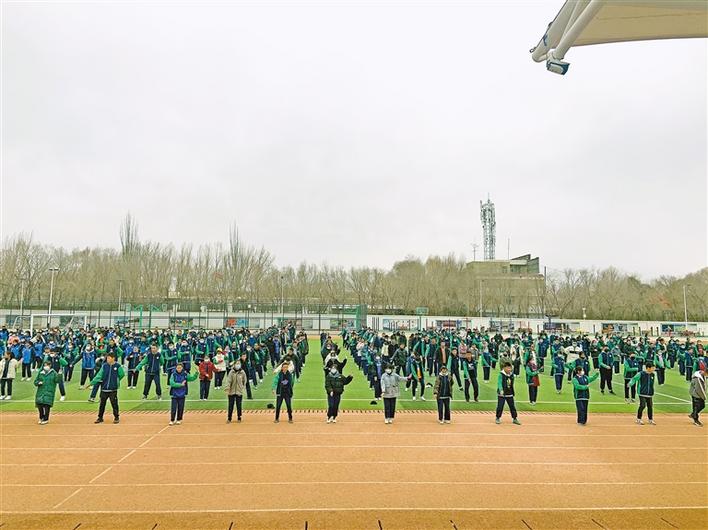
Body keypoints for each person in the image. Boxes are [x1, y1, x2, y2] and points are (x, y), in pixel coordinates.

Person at [89, 352, 125, 424]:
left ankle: (116, 417)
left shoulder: (118, 366)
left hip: (113, 389)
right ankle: (100, 417)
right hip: (104, 388)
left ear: (113, 358)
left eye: (109, 358)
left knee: (114, 404)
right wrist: (92, 382)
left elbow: (122, 374)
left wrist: (116, 381)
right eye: (107, 358)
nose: (107, 359)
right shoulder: (104, 366)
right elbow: (99, 375)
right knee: (102, 404)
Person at [630, 361, 656, 425]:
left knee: (650, 406)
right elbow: (634, 379)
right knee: (642, 405)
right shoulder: (641, 374)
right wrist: (630, 384)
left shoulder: (653, 375)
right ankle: (638, 419)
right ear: (648, 368)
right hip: (642, 393)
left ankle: (650, 419)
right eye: (653, 368)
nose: (654, 369)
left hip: (649, 394)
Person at [34, 361, 60, 425]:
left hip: (49, 391)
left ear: (50, 365)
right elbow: (35, 382)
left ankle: (46, 419)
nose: (45, 367)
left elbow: (57, 380)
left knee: (47, 405)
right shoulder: (41, 373)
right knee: (39, 405)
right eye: (44, 365)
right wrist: (38, 383)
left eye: (47, 365)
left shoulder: (53, 373)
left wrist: (60, 375)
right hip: (40, 392)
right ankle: (41, 417)